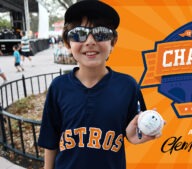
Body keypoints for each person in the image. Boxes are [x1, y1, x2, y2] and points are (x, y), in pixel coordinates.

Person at [38, 1, 163, 169]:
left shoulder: (127, 86)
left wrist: (136, 134)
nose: (90, 41)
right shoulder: (58, 87)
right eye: (79, 34)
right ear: (68, 43)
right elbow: (51, 140)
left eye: (101, 33)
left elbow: (134, 131)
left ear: (113, 42)